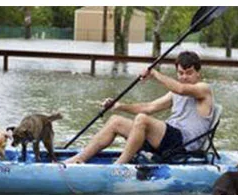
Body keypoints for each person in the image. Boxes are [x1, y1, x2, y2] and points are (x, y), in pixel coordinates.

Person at [65, 51, 214, 165]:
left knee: (142, 120)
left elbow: (181, 89)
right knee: (115, 121)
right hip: (168, 140)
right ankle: (77, 160)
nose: (184, 77)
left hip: (184, 145)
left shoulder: (203, 89)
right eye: (180, 73)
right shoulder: (174, 92)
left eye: (189, 73)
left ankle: (118, 166)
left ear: (198, 74)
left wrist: (154, 73)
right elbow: (149, 107)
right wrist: (119, 106)